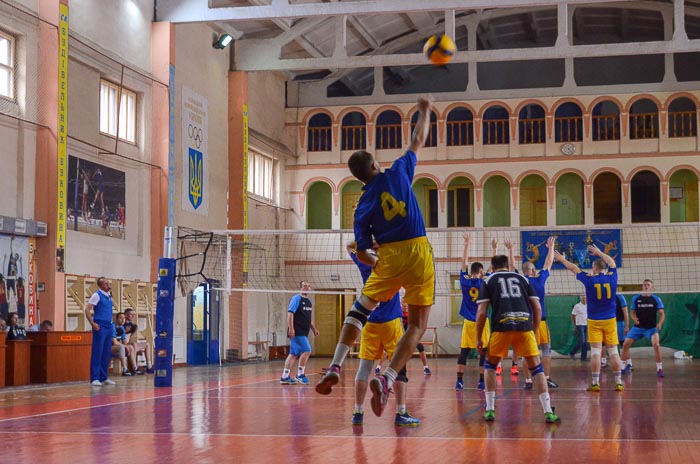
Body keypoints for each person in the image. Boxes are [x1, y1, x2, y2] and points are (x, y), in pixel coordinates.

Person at [316, 96, 435, 421]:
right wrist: (424, 111)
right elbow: (418, 139)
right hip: (418, 250)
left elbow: (362, 251)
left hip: (389, 259)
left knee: (358, 310)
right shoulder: (397, 172)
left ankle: (336, 364)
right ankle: (388, 377)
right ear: (374, 165)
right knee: (419, 325)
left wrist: (375, 260)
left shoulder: (362, 206)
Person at [475, 254, 559, 423]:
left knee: (490, 366)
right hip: (524, 327)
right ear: (507, 265)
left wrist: (479, 338)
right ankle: (548, 411)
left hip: (501, 327)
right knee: (537, 369)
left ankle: (490, 409)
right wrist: (533, 331)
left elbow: (482, 312)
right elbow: (537, 308)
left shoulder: (489, 280)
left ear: (492, 265)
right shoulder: (523, 279)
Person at [347, 241, 419, 427]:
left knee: (364, 368)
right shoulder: (393, 263)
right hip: (391, 321)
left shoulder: (366, 264)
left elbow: (349, 246)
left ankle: (357, 412)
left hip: (370, 321)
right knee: (399, 367)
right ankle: (401, 412)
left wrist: (369, 240)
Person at [555, 245, 624, 392]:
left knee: (596, 353)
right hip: (610, 320)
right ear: (603, 267)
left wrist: (561, 259)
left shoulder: (589, 279)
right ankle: (618, 382)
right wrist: (599, 252)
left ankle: (595, 383)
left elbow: (574, 268)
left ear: (594, 267)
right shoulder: (612, 277)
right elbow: (612, 262)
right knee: (613, 352)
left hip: (594, 321)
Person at [522, 237, 558, 390]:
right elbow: (548, 263)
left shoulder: (520, 280)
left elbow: (510, 267)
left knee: (527, 353)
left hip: (526, 322)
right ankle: (547, 378)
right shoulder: (539, 279)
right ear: (533, 270)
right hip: (540, 321)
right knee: (546, 350)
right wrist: (551, 247)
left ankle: (528, 381)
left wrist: (510, 251)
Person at [456, 233, 488, 391]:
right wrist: (494, 248)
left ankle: (459, 381)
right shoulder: (485, 281)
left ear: (471, 271)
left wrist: (467, 244)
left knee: (464, 351)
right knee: (484, 352)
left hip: (469, 321)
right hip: (483, 321)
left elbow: (463, 262)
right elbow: (493, 270)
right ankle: (481, 381)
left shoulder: (465, 281)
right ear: (481, 272)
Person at [621, 279, 666, 377]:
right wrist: (634, 318)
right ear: (642, 286)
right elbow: (632, 312)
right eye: (644, 284)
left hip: (651, 328)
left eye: (648, 285)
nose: (646, 286)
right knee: (625, 344)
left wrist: (660, 324)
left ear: (652, 287)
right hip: (638, 327)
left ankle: (659, 369)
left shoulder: (656, 299)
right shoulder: (636, 298)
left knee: (656, 345)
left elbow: (662, 314)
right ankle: (624, 366)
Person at [280, 280, 319, 385]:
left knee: (293, 354)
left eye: (308, 286)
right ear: (300, 288)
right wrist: (291, 329)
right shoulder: (296, 298)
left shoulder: (309, 302)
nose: (306, 287)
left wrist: (314, 329)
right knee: (307, 350)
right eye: (304, 286)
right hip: (297, 331)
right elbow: (290, 314)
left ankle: (285, 376)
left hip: (304, 331)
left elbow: (308, 318)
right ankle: (300, 374)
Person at [85, 277, 117, 386]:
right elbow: (87, 310)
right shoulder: (96, 295)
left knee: (106, 352)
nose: (108, 285)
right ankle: (94, 378)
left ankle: (104, 377)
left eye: (108, 283)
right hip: (100, 326)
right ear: (101, 285)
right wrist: (93, 324)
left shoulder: (109, 296)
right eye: (106, 283)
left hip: (109, 325)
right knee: (98, 351)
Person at [400, 299, 431, 375]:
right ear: (401, 304)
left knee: (420, 347)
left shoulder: (412, 314)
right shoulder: (398, 313)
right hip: (402, 335)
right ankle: (378, 367)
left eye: (407, 303)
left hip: (412, 335)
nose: (405, 305)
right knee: (393, 350)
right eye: (404, 303)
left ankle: (426, 367)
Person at [123, 308, 154, 374]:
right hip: (124, 344)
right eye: (131, 314)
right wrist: (126, 331)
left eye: (133, 314)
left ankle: (149, 366)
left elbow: (129, 336)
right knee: (133, 344)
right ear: (125, 315)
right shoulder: (122, 324)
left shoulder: (132, 325)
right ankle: (135, 368)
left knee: (147, 344)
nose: (133, 316)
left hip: (129, 343)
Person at [602, 293, 629, 368]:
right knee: (604, 342)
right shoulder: (605, 296)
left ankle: (628, 363)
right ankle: (603, 361)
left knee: (623, 343)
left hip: (619, 323)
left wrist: (626, 326)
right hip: (608, 322)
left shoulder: (620, 296)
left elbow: (625, 312)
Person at [112, 312, 133, 377]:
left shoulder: (122, 328)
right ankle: (125, 369)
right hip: (109, 347)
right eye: (120, 318)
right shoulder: (113, 326)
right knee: (121, 347)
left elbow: (124, 341)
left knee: (130, 347)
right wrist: (125, 346)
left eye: (124, 318)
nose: (123, 320)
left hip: (118, 347)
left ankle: (135, 368)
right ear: (116, 319)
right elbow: (114, 342)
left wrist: (127, 346)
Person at [569, 295, 589, 361]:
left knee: (585, 342)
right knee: (581, 340)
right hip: (580, 325)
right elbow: (572, 315)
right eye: (583, 298)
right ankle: (572, 353)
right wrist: (575, 325)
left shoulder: (588, 306)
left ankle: (583, 358)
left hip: (587, 325)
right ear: (581, 299)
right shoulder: (577, 306)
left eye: (586, 298)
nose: (585, 299)